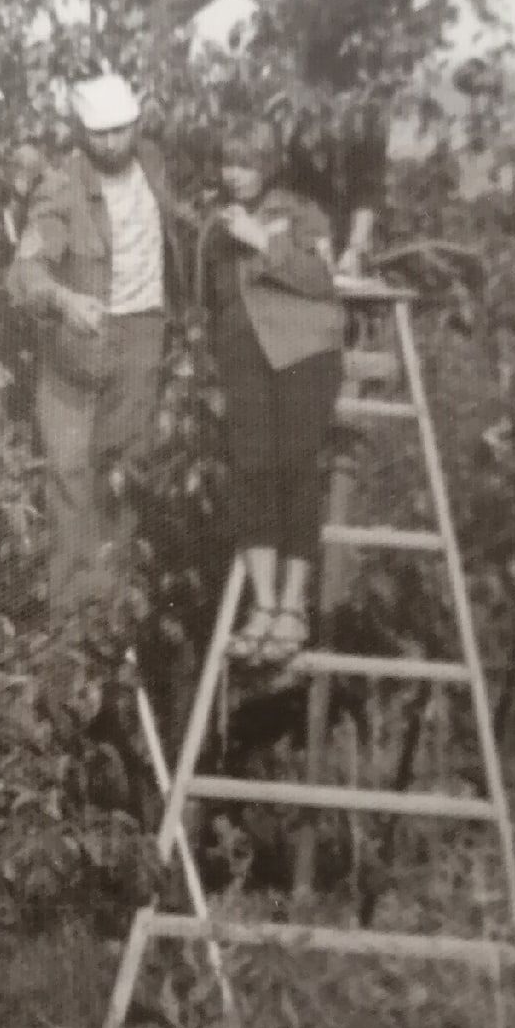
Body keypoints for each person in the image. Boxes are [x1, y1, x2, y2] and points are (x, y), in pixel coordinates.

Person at [151, 0, 382, 275]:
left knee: (361, 143)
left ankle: (359, 245)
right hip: (293, 64)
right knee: (299, 152)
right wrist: (149, 23)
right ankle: (316, 252)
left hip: (340, 50)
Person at [7, 73, 178, 629]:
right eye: (99, 133)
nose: (111, 143)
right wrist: (61, 299)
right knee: (69, 479)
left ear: (138, 123)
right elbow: (25, 270)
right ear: (82, 132)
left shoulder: (156, 166)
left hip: (142, 336)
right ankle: (70, 622)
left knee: (123, 475)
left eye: (121, 130)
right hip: (79, 342)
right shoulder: (62, 187)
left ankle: (113, 611)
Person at [203, 119, 343, 662]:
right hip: (245, 358)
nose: (233, 174)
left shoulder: (301, 213)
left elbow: (319, 280)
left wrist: (262, 240)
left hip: (304, 354)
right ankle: (262, 606)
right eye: (228, 163)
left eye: (245, 164)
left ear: (267, 166)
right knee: (252, 470)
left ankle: (292, 607)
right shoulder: (217, 223)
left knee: (296, 469)